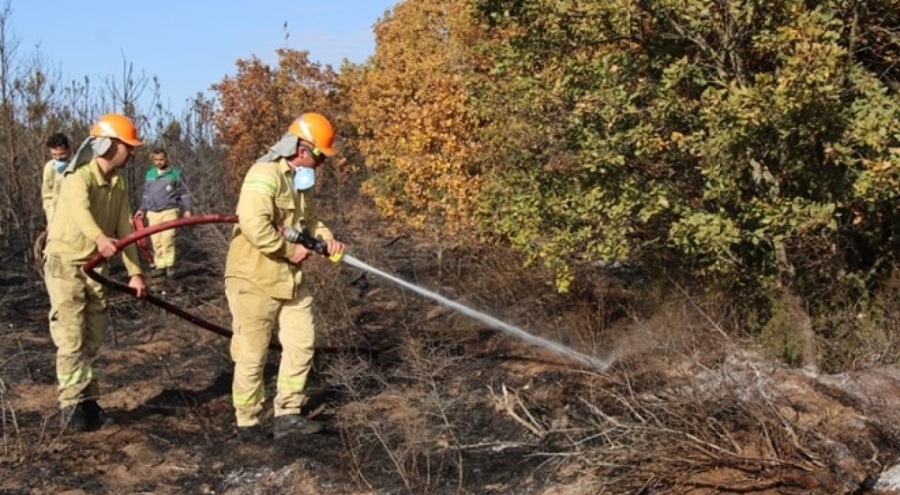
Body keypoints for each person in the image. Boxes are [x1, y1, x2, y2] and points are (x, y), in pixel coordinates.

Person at [224, 112, 344, 442]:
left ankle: (288, 413)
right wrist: (289, 251)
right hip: (253, 277)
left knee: (302, 342)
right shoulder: (264, 173)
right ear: (302, 149)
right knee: (253, 352)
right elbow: (253, 223)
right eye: (320, 155)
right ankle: (247, 421)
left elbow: (311, 221)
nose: (322, 163)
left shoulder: (302, 181)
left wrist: (327, 239)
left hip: (290, 279)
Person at [43, 113, 147, 432]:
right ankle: (70, 406)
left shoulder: (118, 184)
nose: (132, 153)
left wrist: (135, 273)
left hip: (94, 268)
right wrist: (100, 238)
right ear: (109, 145)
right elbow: (81, 212)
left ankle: (88, 400)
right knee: (72, 337)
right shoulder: (77, 178)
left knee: (92, 338)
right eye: (128, 147)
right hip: (65, 265)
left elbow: (125, 229)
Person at [136, 148, 193, 277]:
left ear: (166, 159)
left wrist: (187, 209)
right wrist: (142, 209)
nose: (159, 162)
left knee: (168, 238)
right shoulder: (150, 174)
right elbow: (146, 194)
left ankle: (170, 265)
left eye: (161, 159)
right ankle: (160, 265)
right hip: (153, 212)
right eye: (156, 160)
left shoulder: (175, 174)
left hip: (170, 210)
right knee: (156, 240)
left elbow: (184, 193)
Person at [40, 132, 72, 226]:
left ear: (69, 150)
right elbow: (47, 195)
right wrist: (50, 217)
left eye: (62, 154)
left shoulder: (79, 165)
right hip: (56, 215)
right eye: (54, 154)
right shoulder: (50, 167)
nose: (58, 158)